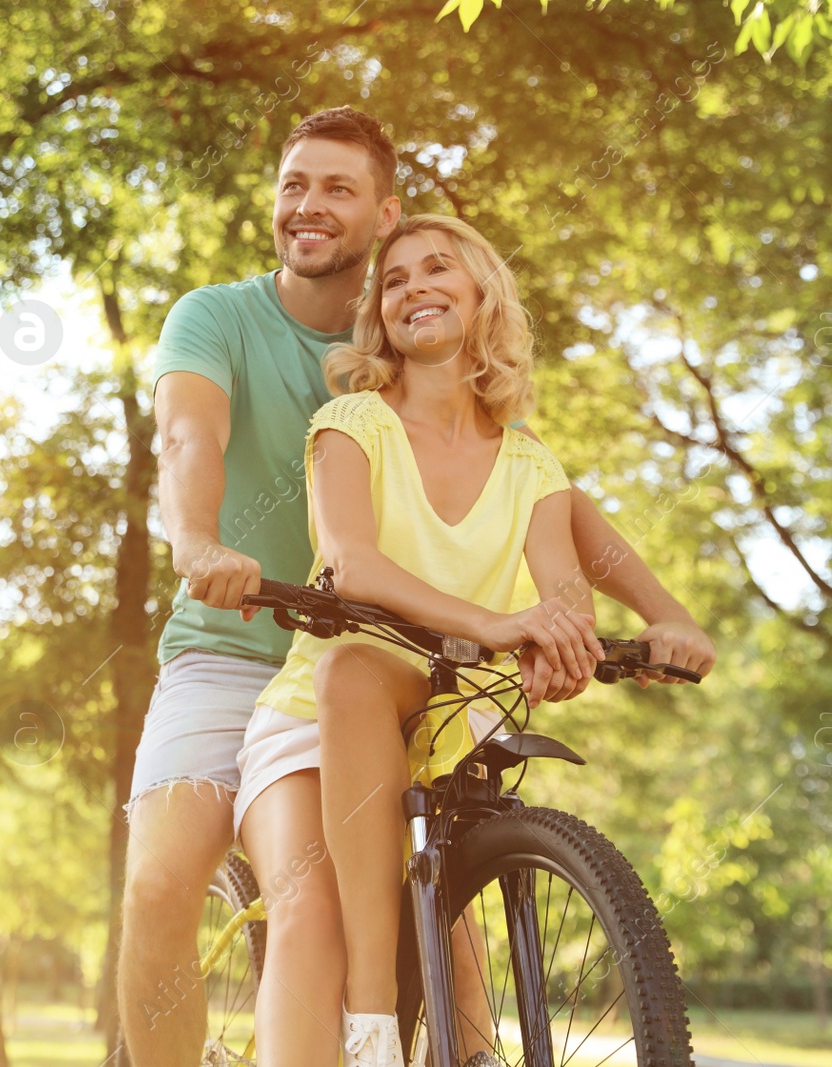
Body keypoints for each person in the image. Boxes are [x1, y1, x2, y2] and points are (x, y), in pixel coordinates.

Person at [118, 106, 715, 1067]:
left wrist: (637, 616)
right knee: (164, 883)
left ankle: (454, 1048)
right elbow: (191, 437)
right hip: (241, 646)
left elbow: (553, 499)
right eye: (293, 186)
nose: (307, 206)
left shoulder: (431, 366)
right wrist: (196, 542)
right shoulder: (228, 324)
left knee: (437, 895)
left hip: (413, 654)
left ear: (385, 213)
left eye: (338, 188)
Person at [235, 213, 601, 1067]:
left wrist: (564, 642)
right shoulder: (349, 423)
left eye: (438, 270)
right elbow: (352, 565)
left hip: (442, 721)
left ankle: (456, 1046)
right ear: (381, 319)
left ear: (482, 300)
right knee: (309, 910)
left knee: (447, 917)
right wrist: (495, 623)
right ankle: (371, 1025)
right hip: (313, 723)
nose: (413, 288)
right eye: (394, 280)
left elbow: (561, 591)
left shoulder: (531, 462)